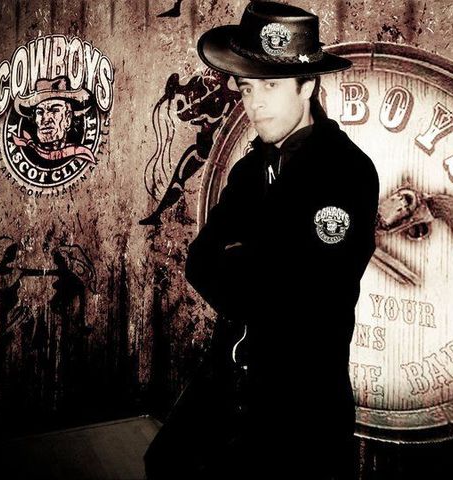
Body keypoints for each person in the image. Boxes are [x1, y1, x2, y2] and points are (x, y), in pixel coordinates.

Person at [145, 2, 379, 479]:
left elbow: (310, 292)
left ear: (307, 86)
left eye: (271, 86)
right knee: (165, 463)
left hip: (300, 404)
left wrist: (246, 262)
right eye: (248, 87)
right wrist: (266, 263)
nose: (255, 104)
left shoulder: (345, 171)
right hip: (227, 383)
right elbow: (200, 261)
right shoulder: (250, 169)